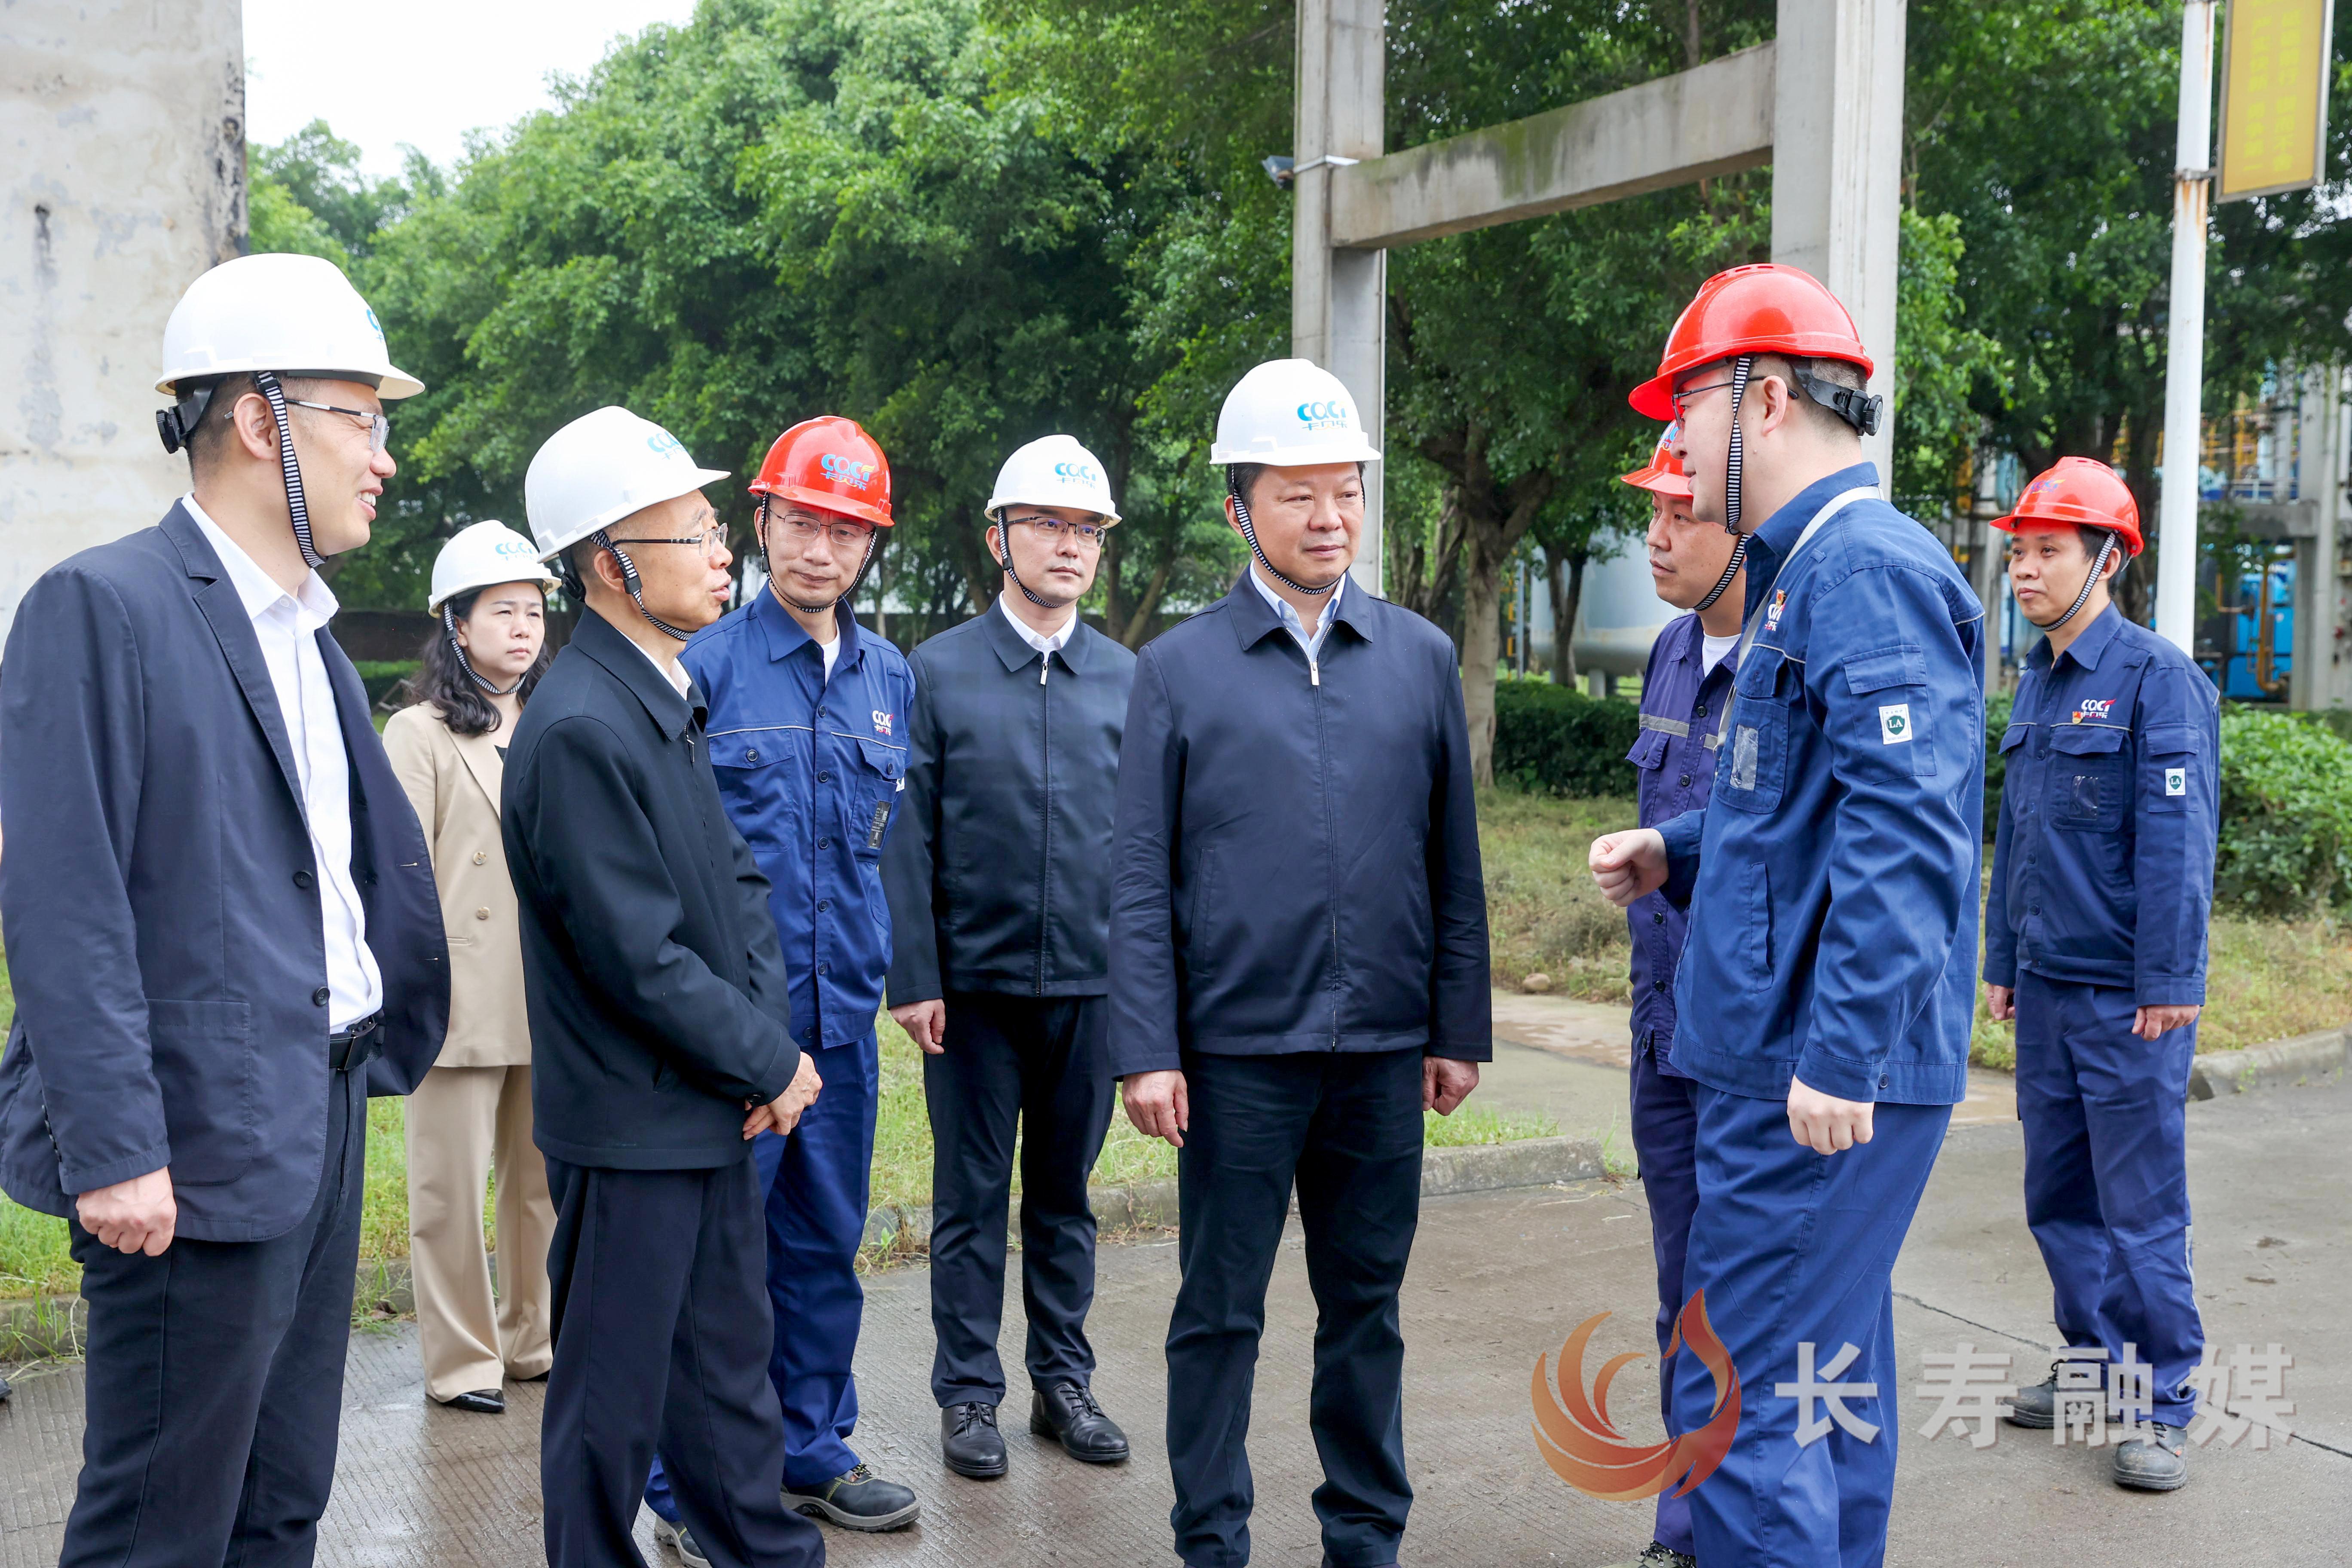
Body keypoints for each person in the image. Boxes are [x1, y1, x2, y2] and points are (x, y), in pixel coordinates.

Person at [0, 251, 450, 1564]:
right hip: (189, 1146)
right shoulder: (105, 607)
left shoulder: (307, 635)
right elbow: (66, 901)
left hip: (321, 1109)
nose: (383, 457)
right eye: (359, 418)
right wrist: (115, 1151)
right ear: (260, 420)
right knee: (160, 1523)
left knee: (281, 1498)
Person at [1588, 264, 1984, 1565]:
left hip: (1804, 1068)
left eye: (1688, 407)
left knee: (1745, 1405)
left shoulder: (1858, 569)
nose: (1678, 439)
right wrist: (1676, 848)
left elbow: (1910, 826)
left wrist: (1844, 1051)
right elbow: (1798, 807)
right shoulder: (1804, 572)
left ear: (1761, 401)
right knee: (1824, 1385)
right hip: (1782, 1052)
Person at [1112, 359, 1491, 1568]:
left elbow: (1453, 861)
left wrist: (1456, 1027)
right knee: (1218, 1312)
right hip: (1237, 1057)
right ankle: (1211, 1538)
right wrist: (1147, 1049)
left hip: (1380, 1052)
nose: (1330, 519)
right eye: (1298, 495)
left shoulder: (1419, 657)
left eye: (1348, 492)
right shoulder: (1178, 671)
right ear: (1241, 509)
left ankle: (1365, 1537)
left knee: (1366, 1308)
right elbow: (1138, 874)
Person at [504, 405, 825, 1568]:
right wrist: (768, 1061)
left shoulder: (663, 696)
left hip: (705, 1107)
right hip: (633, 1126)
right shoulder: (582, 727)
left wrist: (764, 1058)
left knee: (725, 1386)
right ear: (612, 564)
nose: (721, 553)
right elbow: (638, 956)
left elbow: (738, 891)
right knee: (612, 1405)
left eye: (711, 528)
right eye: (694, 534)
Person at [646, 416, 921, 1544]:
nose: (821, 549)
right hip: (739, 1040)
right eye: (803, 522)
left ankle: (810, 1446)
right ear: (761, 523)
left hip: (843, 1030)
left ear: (871, 545)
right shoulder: (700, 667)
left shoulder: (889, 677)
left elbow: (885, 851)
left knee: (823, 1248)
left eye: (847, 531)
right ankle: (688, 1489)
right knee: (719, 1264)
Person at [883, 434, 1138, 1482]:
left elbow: (1151, 852)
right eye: (1047, 525)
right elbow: (908, 838)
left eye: (1087, 530)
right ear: (1000, 538)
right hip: (974, 995)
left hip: (1092, 989)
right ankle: (968, 1394)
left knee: (1066, 1198)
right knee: (971, 1199)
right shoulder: (936, 672)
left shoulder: (1128, 679)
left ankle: (1062, 1385)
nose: (1069, 546)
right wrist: (916, 976)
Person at [1981, 458, 2216, 1491]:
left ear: (2108, 558)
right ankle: (2091, 1364)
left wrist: (2171, 979)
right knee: (2059, 1195)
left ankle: (2163, 1402)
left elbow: (2179, 844)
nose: (2025, 571)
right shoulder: (2037, 681)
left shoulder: (2159, 680)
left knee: (2141, 1208)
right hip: (2046, 987)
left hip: (2129, 1000)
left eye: (2049, 551)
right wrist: (2003, 959)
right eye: (2018, 553)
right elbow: (2017, 836)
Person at [383, 521, 564, 1415]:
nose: (523, 629)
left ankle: (533, 1340)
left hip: (548, 990)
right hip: (456, 994)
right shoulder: (417, 732)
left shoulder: (554, 718)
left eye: (533, 611)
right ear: (457, 624)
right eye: (503, 612)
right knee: (448, 1189)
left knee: (540, 1187)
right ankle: (461, 1361)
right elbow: (399, 869)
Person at [1615, 423, 1743, 1568]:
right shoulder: (1668, 651)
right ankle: (1686, 1522)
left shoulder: (1791, 662)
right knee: (1680, 1293)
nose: (1657, 537)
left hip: (1747, 1044)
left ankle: (1728, 1528)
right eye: (1651, 514)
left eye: (1681, 516)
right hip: (1663, 1030)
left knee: (1743, 1295)